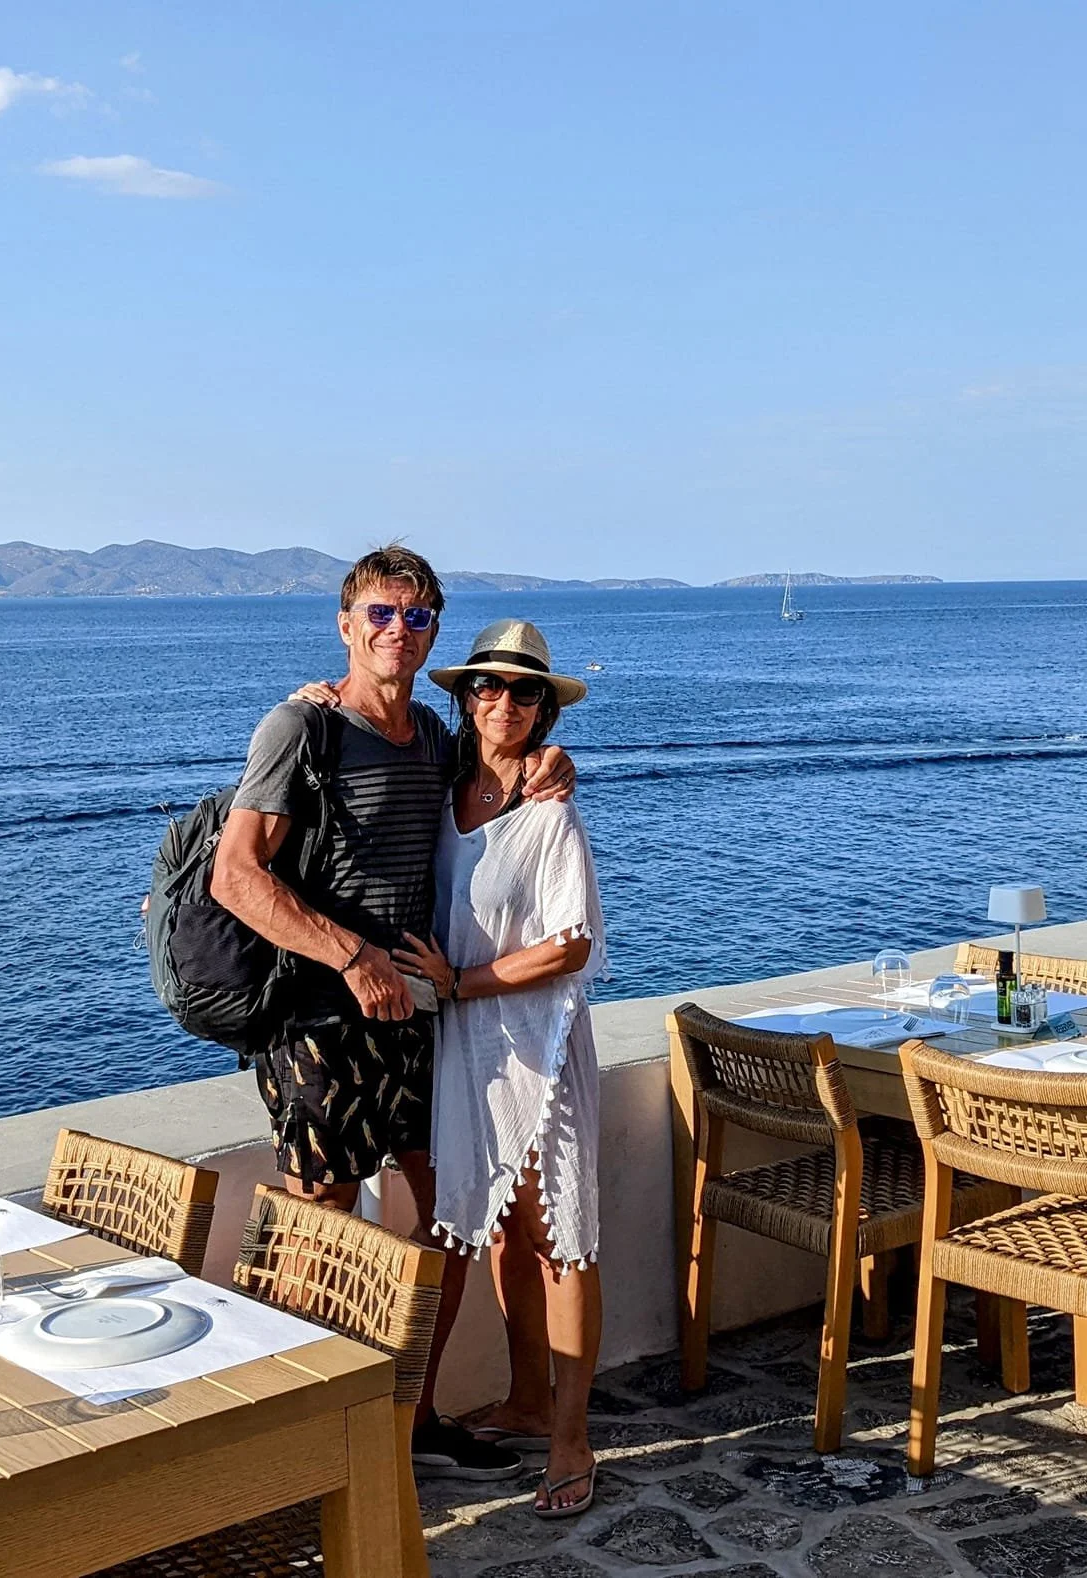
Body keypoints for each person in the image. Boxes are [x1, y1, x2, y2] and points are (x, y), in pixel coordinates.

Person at [210, 544, 573, 1483]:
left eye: (415, 617)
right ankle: (307, 1447)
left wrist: (552, 758)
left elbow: (498, 770)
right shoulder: (300, 728)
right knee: (319, 1229)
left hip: (418, 1025)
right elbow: (236, 875)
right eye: (379, 613)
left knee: (452, 1215)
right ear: (346, 624)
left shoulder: (435, 741)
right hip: (320, 1027)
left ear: (433, 632)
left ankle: (408, 1416)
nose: (396, 630)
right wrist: (350, 955)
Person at [390, 619, 607, 1520]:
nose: (505, 702)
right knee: (504, 1230)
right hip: (469, 1046)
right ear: (466, 698)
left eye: (526, 691)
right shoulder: (445, 785)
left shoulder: (551, 812)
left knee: (558, 1236)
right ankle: (525, 1399)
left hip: (538, 1043)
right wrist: (312, 700)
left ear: (545, 709)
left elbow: (570, 945)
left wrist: (460, 983)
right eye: (489, 685)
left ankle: (570, 1437)